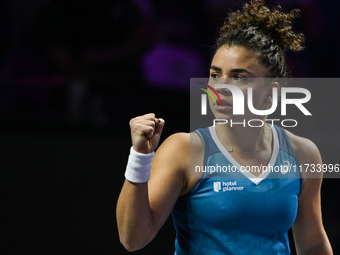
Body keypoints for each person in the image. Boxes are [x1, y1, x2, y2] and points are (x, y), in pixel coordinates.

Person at [116, 0, 333, 254]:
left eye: (239, 77)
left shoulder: (303, 153)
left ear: (270, 94)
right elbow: (133, 239)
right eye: (215, 74)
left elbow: (313, 244)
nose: (220, 88)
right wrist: (140, 158)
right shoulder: (183, 149)